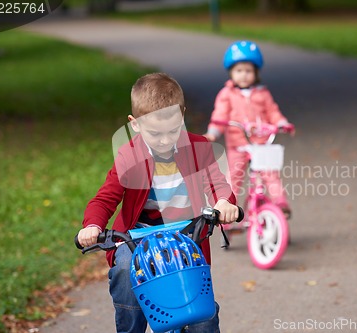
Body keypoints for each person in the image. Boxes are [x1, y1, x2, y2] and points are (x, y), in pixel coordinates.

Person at [77, 72, 238, 333]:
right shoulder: (129, 156)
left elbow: (217, 183)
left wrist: (223, 203)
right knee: (125, 268)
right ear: (135, 124)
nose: (165, 141)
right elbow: (105, 198)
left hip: (186, 236)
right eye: (155, 133)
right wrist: (93, 225)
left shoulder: (199, 148)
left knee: (201, 316)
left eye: (173, 131)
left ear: (182, 115)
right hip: (138, 236)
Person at [204, 40, 294, 219]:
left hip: (261, 144)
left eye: (248, 71)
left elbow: (273, 112)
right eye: (239, 71)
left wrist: (282, 123)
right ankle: (227, 213)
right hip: (238, 146)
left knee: (270, 174)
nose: (243, 75)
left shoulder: (262, 93)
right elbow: (220, 117)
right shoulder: (227, 94)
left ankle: (279, 203)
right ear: (231, 72)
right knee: (234, 180)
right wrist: (213, 133)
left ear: (256, 72)